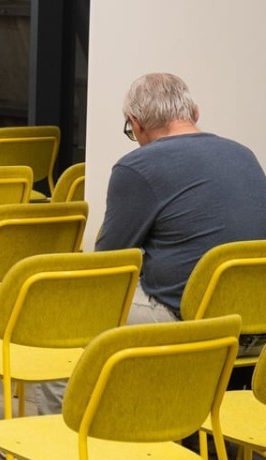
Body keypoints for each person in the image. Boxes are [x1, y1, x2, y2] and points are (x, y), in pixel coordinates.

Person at [97, 73, 266, 336]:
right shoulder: (244, 154)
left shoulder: (137, 166)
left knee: (79, 304)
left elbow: (107, 264)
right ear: (195, 113)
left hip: (190, 325)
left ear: (136, 123)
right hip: (256, 320)